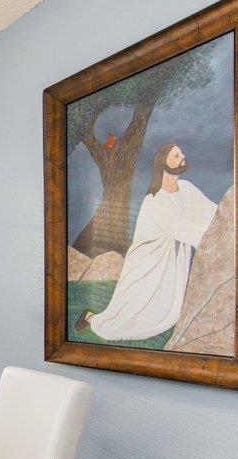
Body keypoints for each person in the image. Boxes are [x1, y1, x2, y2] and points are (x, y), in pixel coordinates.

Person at [76, 142, 217, 341]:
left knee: (166, 313)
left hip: (172, 265)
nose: (183, 156)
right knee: (126, 321)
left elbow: (211, 211)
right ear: (163, 164)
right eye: (176, 155)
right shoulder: (155, 201)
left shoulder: (186, 188)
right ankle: (92, 318)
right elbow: (185, 229)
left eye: (181, 153)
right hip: (148, 268)